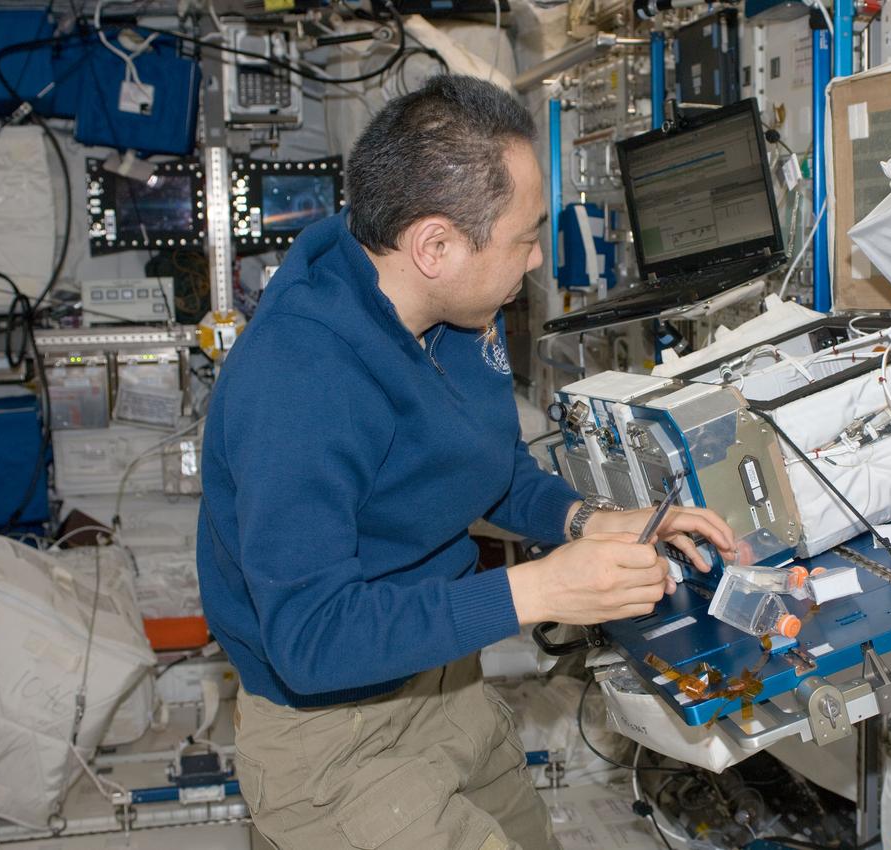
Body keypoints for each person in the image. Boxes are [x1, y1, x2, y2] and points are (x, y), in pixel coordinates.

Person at [196, 74, 737, 850]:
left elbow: (486, 465)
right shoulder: (299, 380)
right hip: (335, 739)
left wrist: (586, 518)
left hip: (442, 675)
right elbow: (311, 639)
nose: (535, 264)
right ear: (436, 246)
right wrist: (539, 587)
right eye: (524, 239)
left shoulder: (445, 309)